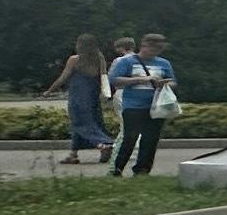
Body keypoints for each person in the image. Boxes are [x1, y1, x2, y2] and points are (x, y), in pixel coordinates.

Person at [108, 34, 176, 177]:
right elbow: (115, 80)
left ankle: (142, 170)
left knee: (150, 139)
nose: (154, 53)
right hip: (133, 106)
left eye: (158, 50)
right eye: (152, 49)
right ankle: (117, 168)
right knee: (130, 138)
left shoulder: (164, 63)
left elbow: (173, 82)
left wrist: (164, 84)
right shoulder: (127, 62)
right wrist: (141, 79)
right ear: (144, 46)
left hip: (156, 106)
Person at [46, 34, 112, 164]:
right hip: (93, 95)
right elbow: (103, 76)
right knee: (90, 122)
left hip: (78, 96)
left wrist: (50, 90)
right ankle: (73, 154)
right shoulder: (99, 59)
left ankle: (103, 144)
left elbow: (63, 77)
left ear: (80, 45)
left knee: (80, 123)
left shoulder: (75, 59)